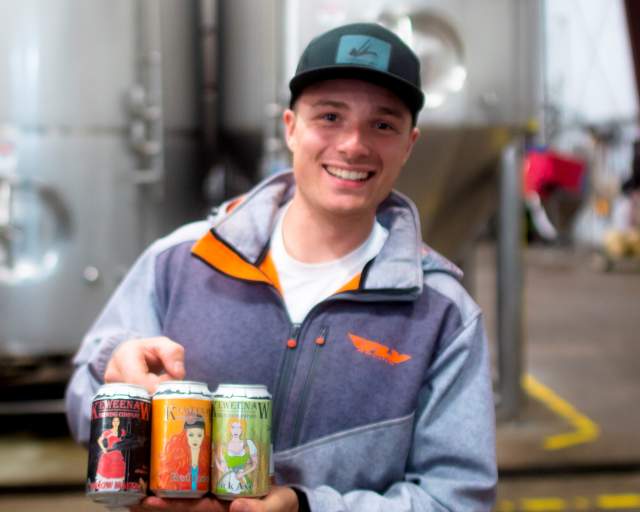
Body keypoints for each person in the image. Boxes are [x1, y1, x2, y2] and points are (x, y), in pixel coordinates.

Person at [66, 22, 497, 511]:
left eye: (383, 124)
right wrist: (115, 375)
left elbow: (456, 501)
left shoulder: (443, 316)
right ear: (290, 128)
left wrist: (308, 506)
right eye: (330, 116)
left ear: (409, 144)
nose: (353, 144)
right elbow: (84, 392)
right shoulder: (182, 261)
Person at [156, 415, 210, 492]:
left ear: (203, 436)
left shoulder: (206, 458)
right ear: (185, 436)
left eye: (199, 435)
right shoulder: (178, 459)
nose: (195, 439)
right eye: (191, 435)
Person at [214, 417, 259, 496]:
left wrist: (243, 473)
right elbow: (223, 468)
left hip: (242, 479)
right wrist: (215, 458)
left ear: (242, 430)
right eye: (233, 427)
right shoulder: (224, 445)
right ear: (229, 429)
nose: (236, 430)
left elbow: (255, 464)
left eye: (239, 428)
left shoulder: (248, 444)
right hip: (227, 479)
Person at [95, 416, 126, 488]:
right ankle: (104, 487)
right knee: (105, 472)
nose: (116, 423)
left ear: (119, 422)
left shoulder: (122, 432)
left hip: (118, 454)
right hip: (108, 454)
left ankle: (117, 488)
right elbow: (99, 440)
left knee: (118, 473)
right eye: (114, 421)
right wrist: (103, 449)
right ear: (112, 422)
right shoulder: (107, 432)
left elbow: (125, 440)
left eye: (117, 421)